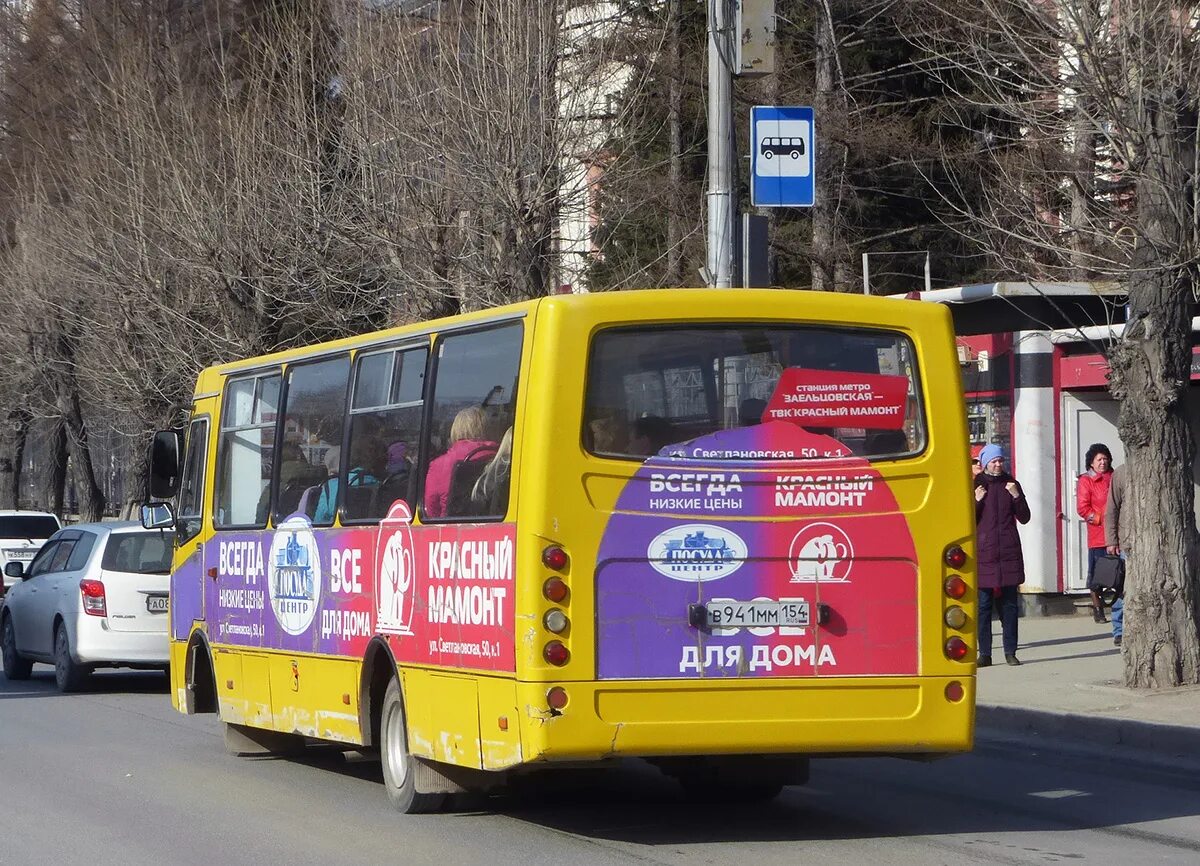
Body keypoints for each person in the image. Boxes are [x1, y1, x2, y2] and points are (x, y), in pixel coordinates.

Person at [974, 443, 1031, 666]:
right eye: (993, 461)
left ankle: (1010, 651)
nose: (998, 464)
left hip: (1008, 552)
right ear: (985, 463)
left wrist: (1017, 496)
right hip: (985, 553)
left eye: (1000, 461)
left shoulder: (1012, 484)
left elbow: (1025, 517)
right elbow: (967, 520)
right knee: (984, 606)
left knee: (1009, 606)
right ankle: (985, 654)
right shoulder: (977, 485)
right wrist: (976, 501)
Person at [424, 406, 497, 518]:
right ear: (486, 429)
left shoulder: (439, 465)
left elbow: (431, 510)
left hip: (449, 529)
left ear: (455, 430)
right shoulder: (500, 458)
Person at [1076, 443, 1114, 623]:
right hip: (1098, 535)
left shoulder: (1114, 477)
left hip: (1117, 534)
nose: (1103, 462)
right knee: (1097, 574)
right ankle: (1098, 607)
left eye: (1105, 459)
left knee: (1118, 572)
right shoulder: (1086, 480)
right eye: (1099, 459)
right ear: (1091, 462)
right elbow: (1083, 508)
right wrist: (1101, 519)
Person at [1104, 461, 1130, 647]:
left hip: (1156, 543)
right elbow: (1111, 509)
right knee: (1121, 589)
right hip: (1127, 542)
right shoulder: (1121, 473)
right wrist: (1111, 540)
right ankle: (1119, 630)